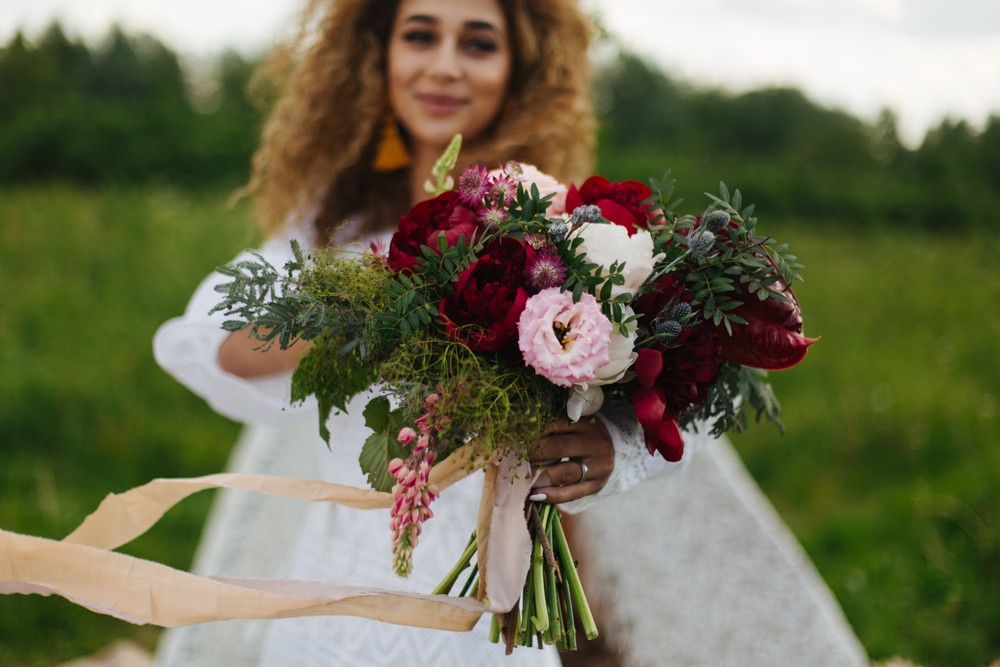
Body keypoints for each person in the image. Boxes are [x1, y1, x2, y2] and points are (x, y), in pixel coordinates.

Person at [153, 0, 869, 665]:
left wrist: (615, 450)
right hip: (338, 576)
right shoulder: (330, 223)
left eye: (479, 43)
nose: (445, 65)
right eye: (421, 34)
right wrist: (384, 299)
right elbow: (215, 343)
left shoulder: (555, 226)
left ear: (519, 69)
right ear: (379, 52)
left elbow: (681, 400)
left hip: (485, 596)